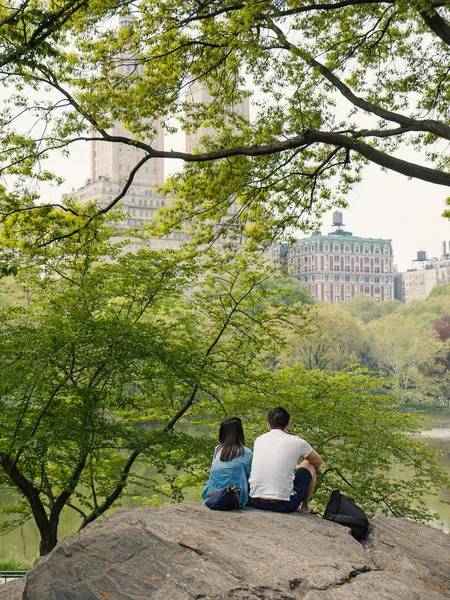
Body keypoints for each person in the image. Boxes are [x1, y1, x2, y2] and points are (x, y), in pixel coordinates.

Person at [248, 407, 322, 513]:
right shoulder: (297, 442)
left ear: (268, 425)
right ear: (288, 426)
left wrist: (294, 466)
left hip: (255, 501)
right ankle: (305, 506)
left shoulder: (259, 440)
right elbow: (318, 462)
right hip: (283, 504)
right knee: (309, 464)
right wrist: (300, 468)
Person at [202, 417, 253, 507]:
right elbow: (251, 477)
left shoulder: (217, 450)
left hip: (212, 496)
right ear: (240, 433)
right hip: (233, 499)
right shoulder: (245, 452)